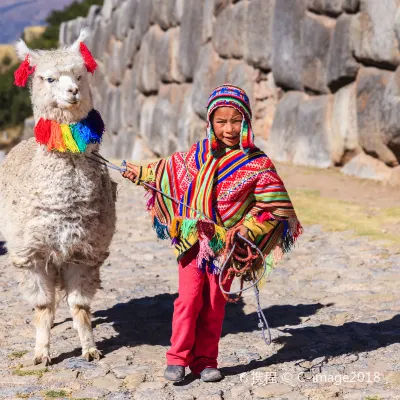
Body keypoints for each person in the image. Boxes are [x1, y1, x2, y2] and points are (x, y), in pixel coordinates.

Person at [122, 84, 302, 382]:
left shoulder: (258, 163)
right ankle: (178, 357)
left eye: (236, 120)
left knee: (215, 303)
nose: (229, 128)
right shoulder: (197, 154)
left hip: (228, 248)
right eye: (221, 121)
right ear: (210, 122)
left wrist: (247, 226)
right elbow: (167, 169)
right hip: (193, 240)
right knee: (189, 299)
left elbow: (273, 208)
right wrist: (139, 173)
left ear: (246, 120)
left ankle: (206, 359)